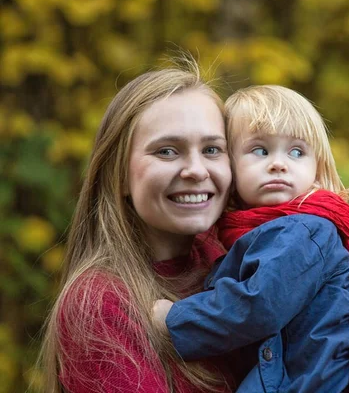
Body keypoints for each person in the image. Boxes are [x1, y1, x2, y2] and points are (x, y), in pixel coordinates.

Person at [153, 85, 349, 392]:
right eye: (260, 150)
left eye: (296, 152)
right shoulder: (255, 231)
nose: (278, 163)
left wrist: (176, 320)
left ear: (317, 170)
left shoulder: (303, 231)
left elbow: (258, 306)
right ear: (230, 166)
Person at [37, 60, 236, 393]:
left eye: (212, 149)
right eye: (167, 151)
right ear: (120, 175)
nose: (196, 170)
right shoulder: (102, 304)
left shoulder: (239, 264)